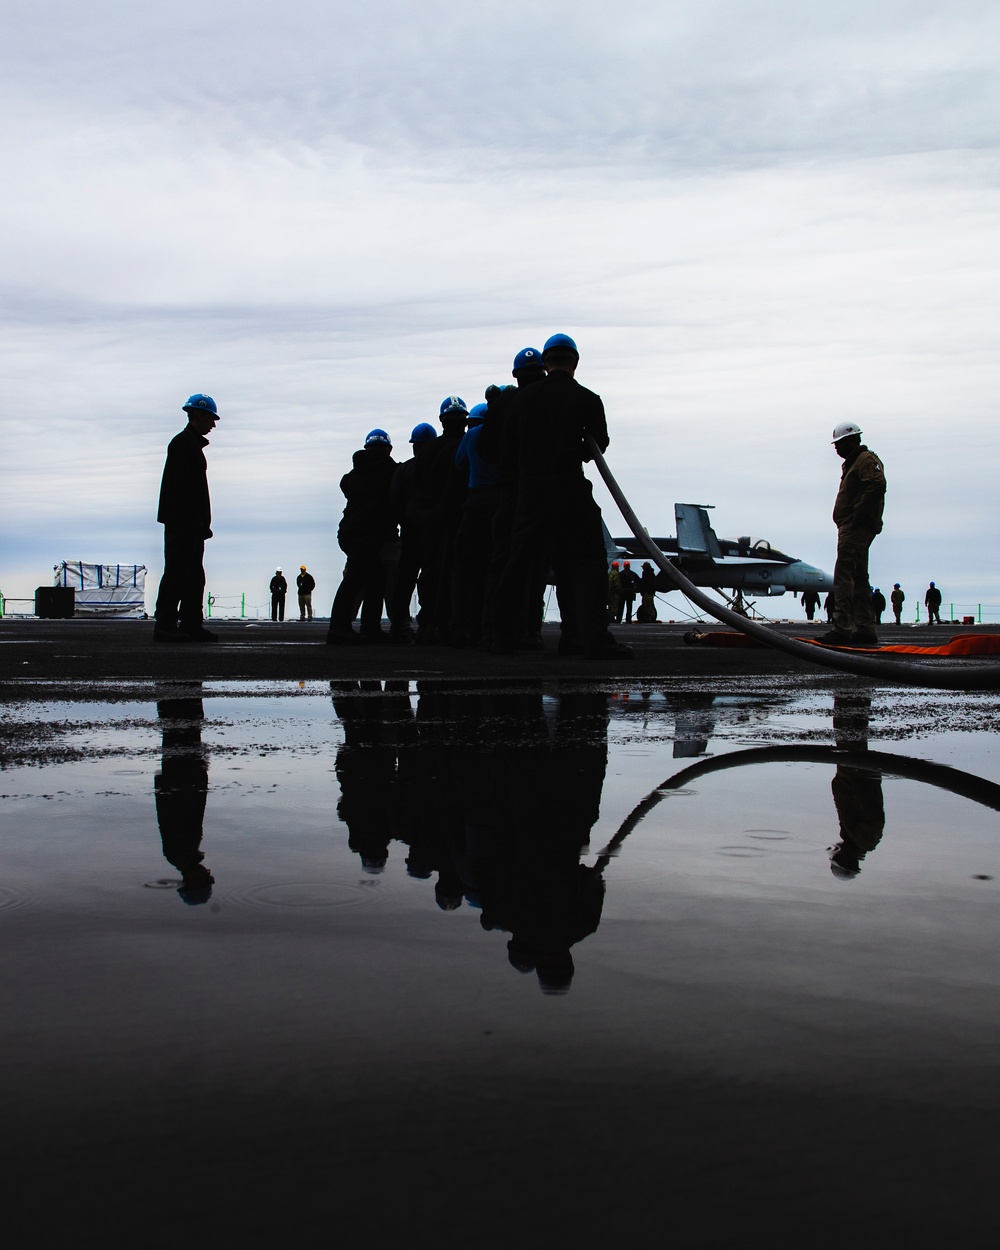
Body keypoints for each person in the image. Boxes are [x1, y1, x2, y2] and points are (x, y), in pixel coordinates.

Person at [492, 333, 631, 660]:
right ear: (575, 362)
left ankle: (501, 638)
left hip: (530, 493)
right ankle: (587, 638)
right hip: (569, 489)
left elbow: (507, 450)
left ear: (545, 363)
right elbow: (598, 446)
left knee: (518, 564)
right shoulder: (587, 398)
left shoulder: (521, 401)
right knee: (585, 565)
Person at [154, 393, 220, 643]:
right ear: (198, 416)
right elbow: (183, 489)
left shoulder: (188, 444)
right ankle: (166, 624)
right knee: (177, 573)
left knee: (193, 576)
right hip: (183, 523)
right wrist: (195, 522)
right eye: (210, 419)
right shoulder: (183, 444)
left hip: (190, 523)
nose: (213, 425)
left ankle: (191, 623)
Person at [326, 429, 400, 645]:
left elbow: (345, 485)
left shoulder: (354, 475)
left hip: (351, 532)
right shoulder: (391, 471)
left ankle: (367, 627)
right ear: (388, 449)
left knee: (371, 577)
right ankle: (342, 628)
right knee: (359, 578)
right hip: (369, 533)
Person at [820, 422, 886, 647]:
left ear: (851, 441)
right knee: (858, 577)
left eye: (839, 444)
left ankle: (842, 627)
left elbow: (877, 484)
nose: (836, 449)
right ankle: (866, 629)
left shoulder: (865, 460)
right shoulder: (854, 463)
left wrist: (858, 514)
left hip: (855, 528)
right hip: (853, 526)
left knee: (844, 575)